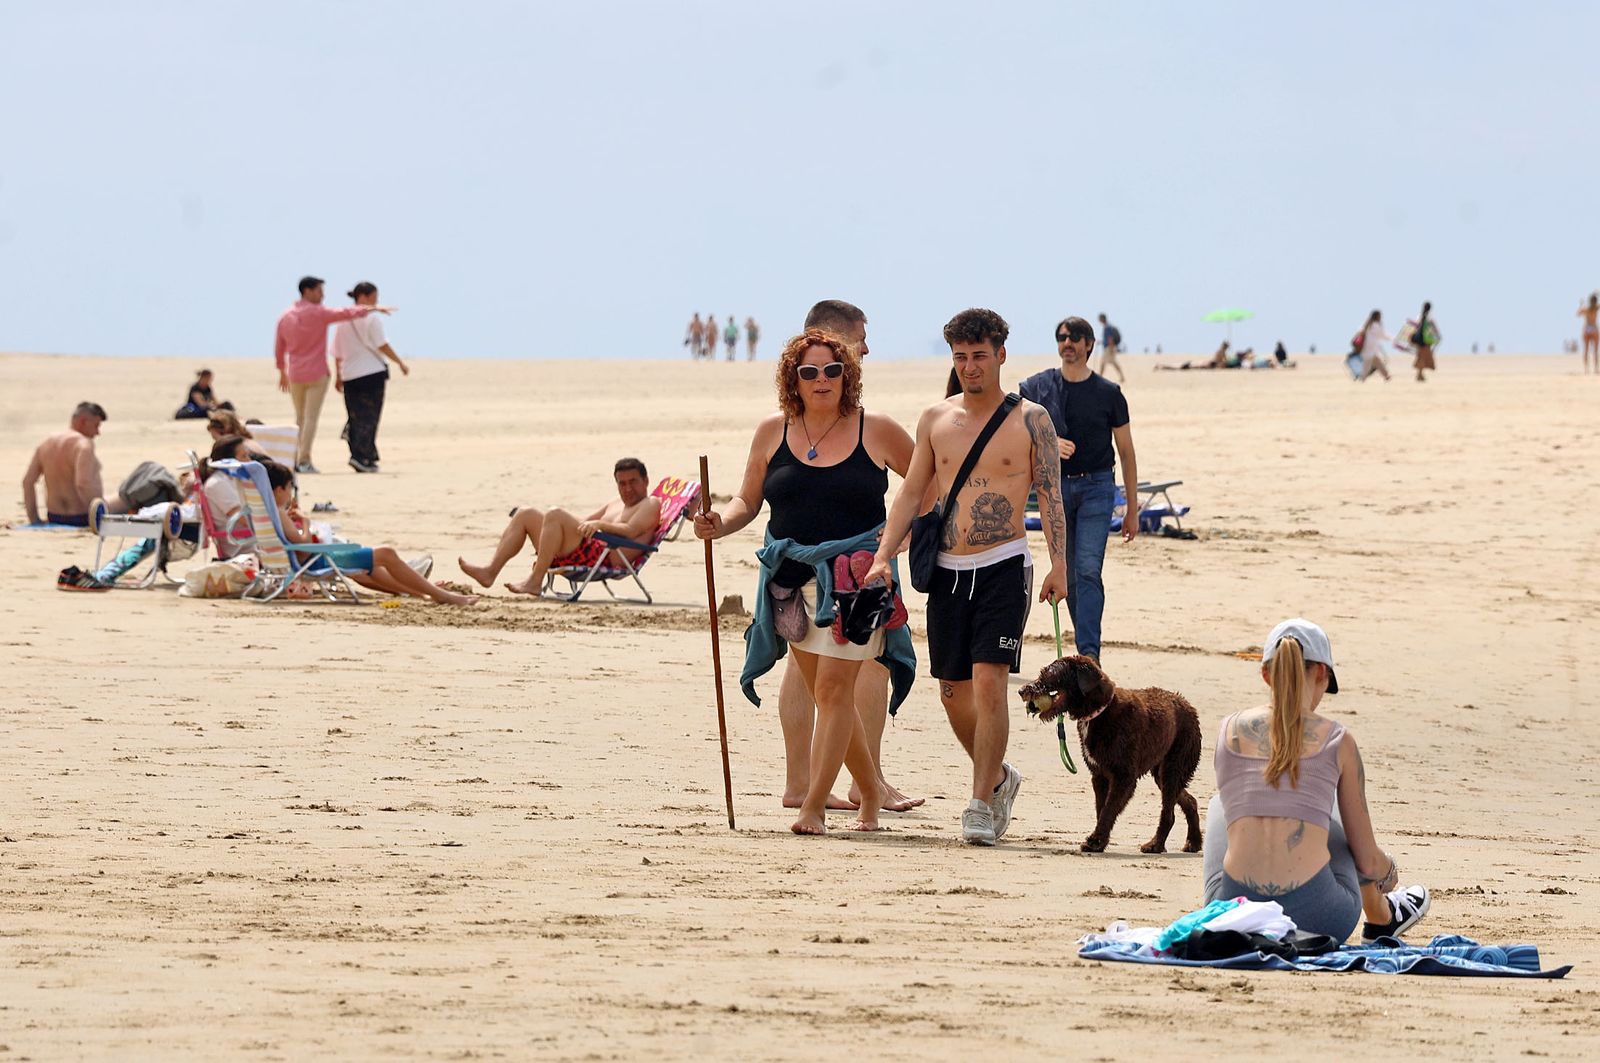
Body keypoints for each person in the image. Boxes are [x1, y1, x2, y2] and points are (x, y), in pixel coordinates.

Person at [696, 328, 917, 835]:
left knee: (836, 689)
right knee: (826, 694)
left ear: (847, 375)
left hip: (860, 579)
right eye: (810, 371)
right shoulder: (772, 432)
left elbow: (928, 483)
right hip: (791, 581)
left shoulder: (876, 429)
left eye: (832, 370)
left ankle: (813, 805)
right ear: (792, 379)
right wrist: (720, 523)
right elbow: (748, 500)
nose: (822, 380)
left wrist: (901, 534)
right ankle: (870, 796)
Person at [866, 308, 1068, 847]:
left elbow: (1050, 495)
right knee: (952, 693)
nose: (971, 366)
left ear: (1001, 355)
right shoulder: (936, 419)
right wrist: (884, 554)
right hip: (948, 571)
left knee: (989, 681)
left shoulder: (1032, 420)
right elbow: (912, 491)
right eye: (961, 357)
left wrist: (1059, 565)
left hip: (1004, 564)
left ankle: (979, 802)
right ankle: (999, 777)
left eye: (980, 355)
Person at [772, 300, 922, 814]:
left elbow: (922, 484)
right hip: (842, 561)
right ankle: (865, 781)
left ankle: (804, 782)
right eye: (861, 339)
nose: (867, 349)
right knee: (863, 670)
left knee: (811, 677)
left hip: (822, 557)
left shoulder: (840, 418)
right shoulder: (793, 422)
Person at [1202, 618, 1433, 943]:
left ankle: (1379, 913)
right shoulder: (1337, 741)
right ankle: (1382, 916)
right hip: (1321, 917)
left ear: (1266, 674)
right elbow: (1367, 860)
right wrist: (1389, 871)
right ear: (1322, 673)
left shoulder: (1228, 730)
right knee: (1332, 806)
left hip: (1233, 916)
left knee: (1221, 806)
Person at [1019, 317, 1139, 662]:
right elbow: (1014, 433)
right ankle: (1085, 651)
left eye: (1075, 337)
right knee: (1068, 574)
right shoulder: (1037, 389)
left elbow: (1127, 452)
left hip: (1097, 488)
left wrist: (1131, 509)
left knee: (1087, 569)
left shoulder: (1109, 393)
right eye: (1062, 337)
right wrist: (1049, 441)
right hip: (1054, 490)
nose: (1067, 343)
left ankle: (1089, 654)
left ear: (1089, 345)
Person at [265, 460, 477, 605]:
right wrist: (305, 521)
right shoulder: (279, 512)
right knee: (386, 553)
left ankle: (424, 592)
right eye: (290, 488)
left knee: (372, 566)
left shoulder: (267, 511)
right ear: (279, 490)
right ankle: (443, 596)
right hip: (317, 562)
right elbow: (302, 546)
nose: (291, 494)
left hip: (312, 561)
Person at [458, 458, 662, 595]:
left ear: (645, 481)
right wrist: (555, 525)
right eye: (622, 483)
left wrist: (598, 524)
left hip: (604, 556)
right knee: (526, 513)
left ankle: (535, 581)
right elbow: (583, 521)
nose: (627, 488)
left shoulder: (650, 503)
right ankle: (490, 572)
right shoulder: (615, 502)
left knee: (555, 513)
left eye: (633, 482)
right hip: (585, 548)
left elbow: (631, 531)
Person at [274, 276, 394, 474]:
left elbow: (279, 346)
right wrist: (373, 308)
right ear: (308, 291)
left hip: (295, 373)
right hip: (317, 373)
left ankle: (294, 458)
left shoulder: (286, 316)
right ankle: (304, 460)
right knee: (310, 418)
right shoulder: (319, 313)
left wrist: (281, 371)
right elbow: (347, 312)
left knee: (300, 418)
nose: (322, 295)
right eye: (319, 291)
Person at [332, 281, 410, 474]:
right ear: (363, 296)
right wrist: (399, 362)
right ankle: (362, 456)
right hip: (371, 373)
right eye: (374, 297)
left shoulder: (343, 320)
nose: (376, 302)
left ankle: (361, 454)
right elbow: (381, 344)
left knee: (355, 415)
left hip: (349, 374)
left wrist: (339, 375)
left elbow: (337, 352)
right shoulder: (372, 319)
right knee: (369, 417)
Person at [22, 402, 114, 527]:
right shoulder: (84, 445)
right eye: (96, 426)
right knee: (123, 501)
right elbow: (83, 483)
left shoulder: (46, 443)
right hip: (81, 517)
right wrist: (100, 515)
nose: (98, 432)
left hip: (55, 516)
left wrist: (35, 520)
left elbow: (27, 482)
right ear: (83, 421)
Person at [196, 435, 254, 557]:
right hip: (242, 547)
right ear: (229, 461)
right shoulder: (218, 484)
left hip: (251, 541)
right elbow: (243, 519)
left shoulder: (233, 479)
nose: (249, 461)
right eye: (244, 456)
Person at [1358, 310, 1392, 382]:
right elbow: (1382, 335)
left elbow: (1361, 331)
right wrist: (1392, 338)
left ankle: (1386, 376)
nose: (1381, 317)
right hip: (1371, 348)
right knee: (1369, 365)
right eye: (1380, 316)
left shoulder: (1367, 324)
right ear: (1377, 316)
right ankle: (1363, 379)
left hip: (1366, 348)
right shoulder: (1376, 325)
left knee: (1375, 363)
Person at [1412, 302, 1438, 382]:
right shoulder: (1429, 316)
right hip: (1425, 340)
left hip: (1418, 339)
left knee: (1421, 357)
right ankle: (1419, 375)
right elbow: (1433, 326)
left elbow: (1416, 326)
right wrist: (1437, 335)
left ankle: (1420, 375)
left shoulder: (1420, 316)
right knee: (1423, 357)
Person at [1097, 313, 1126, 384]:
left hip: (1109, 348)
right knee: (1112, 363)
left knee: (1103, 363)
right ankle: (1122, 377)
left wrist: (1111, 348)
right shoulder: (1108, 326)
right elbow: (1107, 339)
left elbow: (1110, 339)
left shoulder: (1107, 327)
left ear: (1102, 319)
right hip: (1110, 347)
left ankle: (1099, 378)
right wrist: (1101, 342)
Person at [1578, 295, 1598, 374]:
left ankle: (1586, 369)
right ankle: (1596, 369)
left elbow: (1578, 313)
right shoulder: (1596, 308)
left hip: (1587, 328)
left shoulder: (1586, 308)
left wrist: (1581, 305)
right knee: (1595, 350)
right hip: (1594, 328)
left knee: (1586, 350)